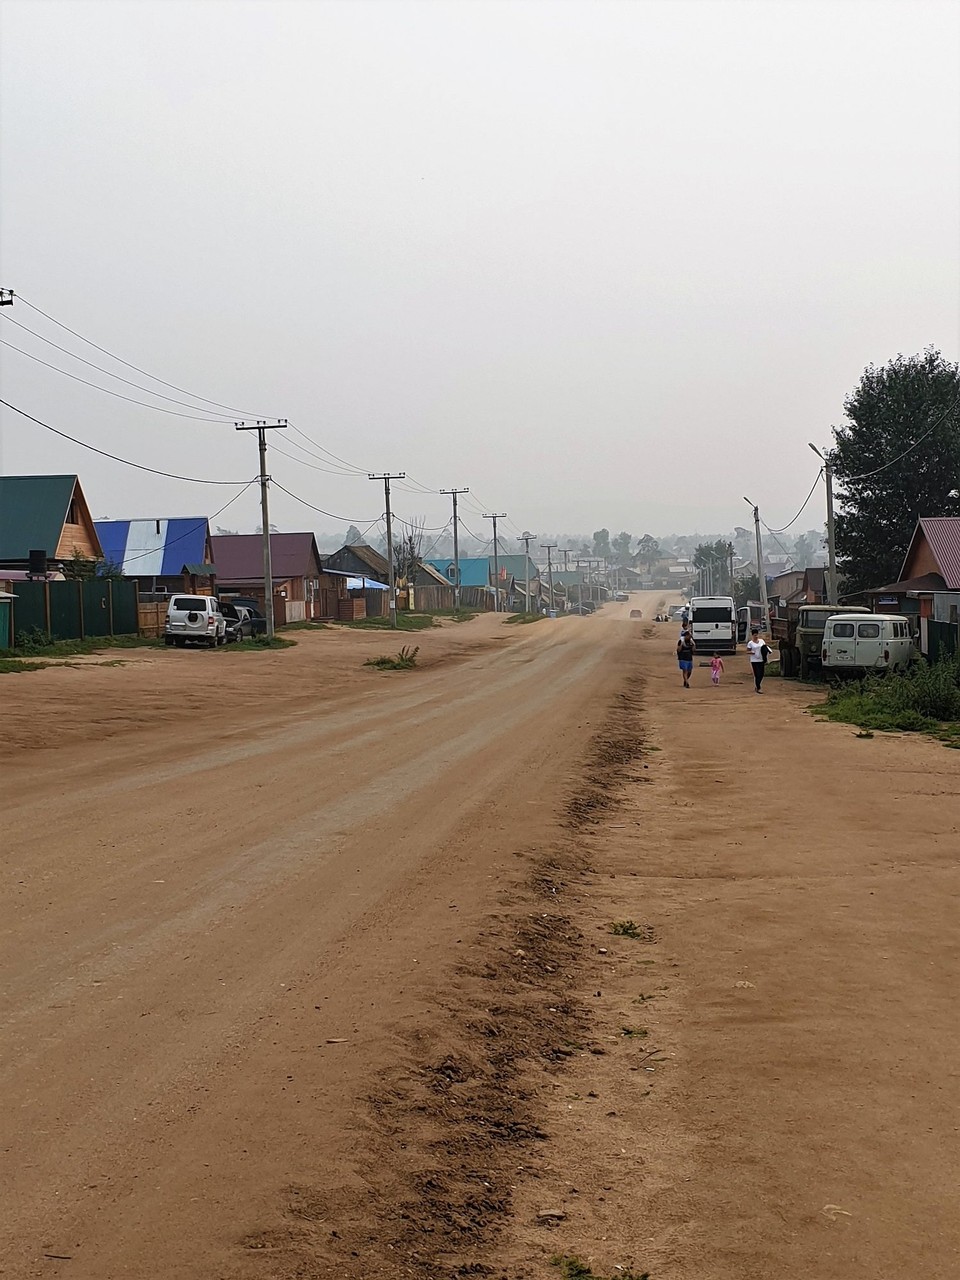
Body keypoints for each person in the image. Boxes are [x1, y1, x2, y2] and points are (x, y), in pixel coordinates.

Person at [746, 627, 770, 693]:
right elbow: (747, 651)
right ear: (752, 635)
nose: (756, 636)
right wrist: (752, 652)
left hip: (761, 659)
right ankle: (758, 687)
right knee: (757, 674)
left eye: (757, 635)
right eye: (754, 635)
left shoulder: (762, 641)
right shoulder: (750, 643)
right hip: (754, 660)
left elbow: (765, 648)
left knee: (761, 674)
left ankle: (757, 686)